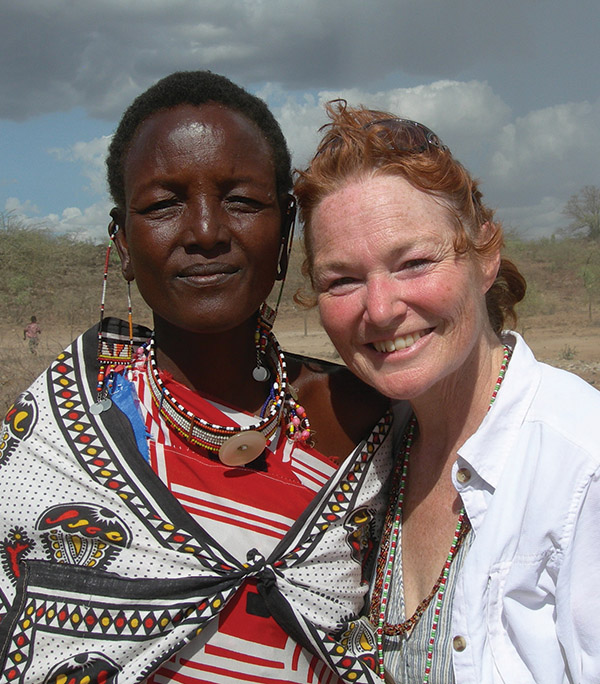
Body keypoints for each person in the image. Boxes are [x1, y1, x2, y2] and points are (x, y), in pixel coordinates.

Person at [0, 75, 394, 684]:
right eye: (163, 204)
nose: (206, 231)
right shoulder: (57, 432)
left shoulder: (365, 420)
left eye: (241, 200)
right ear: (122, 243)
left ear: (287, 228)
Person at [294, 101, 600, 684]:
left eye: (412, 262)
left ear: (485, 255)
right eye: (343, 279)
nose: (380, 309)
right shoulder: (374, 448)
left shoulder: (580, 468)